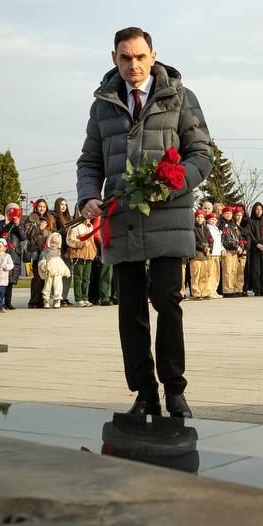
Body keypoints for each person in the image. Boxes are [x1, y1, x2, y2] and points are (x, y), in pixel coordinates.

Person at [77, 26, 212, 419]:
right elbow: (90, 160)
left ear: (153, 56)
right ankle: (143, 391)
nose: (133, 65)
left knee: (168, 300)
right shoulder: (103, 105)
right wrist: (88, 196)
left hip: (168, 213)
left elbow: (201, 154)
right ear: (114, 58)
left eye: (140, 57)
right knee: (130, 306)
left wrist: (172, 182)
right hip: (122, 218)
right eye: (125, 58)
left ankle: (174, 389)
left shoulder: (180, 98)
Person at [0, 203, 24, 310]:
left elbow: (23, 237)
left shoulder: (20, 224)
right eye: (9, 210)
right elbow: (0, 234)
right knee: (1, 280)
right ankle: (0, 303)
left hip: (14, 254)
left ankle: (8, 302)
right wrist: (9, 224)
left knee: (11, 281)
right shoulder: (0, 223)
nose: (11, 213)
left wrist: (17, 225)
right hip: (2, 254)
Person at [65, 215, 97, 307]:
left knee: (86, 278)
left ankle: (85, 298)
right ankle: (78, 299)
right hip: (78, 255)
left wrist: (94, 251)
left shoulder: (90, 226)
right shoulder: (75, 226)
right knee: (78, 277)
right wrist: (81, 244)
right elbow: (69, 240)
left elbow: (92, 241)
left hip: (89, 255)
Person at [24, 199, 51, 307]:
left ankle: (43, 300)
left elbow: (54, 233)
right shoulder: (31, 217)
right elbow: (28, 235)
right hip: (35, 250)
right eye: (40, 206)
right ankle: (34, 301)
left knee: (46, 276)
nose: (42, 209)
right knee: (37, 277)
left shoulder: (50, 218)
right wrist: (39, 228)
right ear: (36, 207)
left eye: (44, 207)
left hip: (47, 250)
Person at [243, 202, 263, 296]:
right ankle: (257, 290)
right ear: (254, 210)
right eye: (257, 209)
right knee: (256, 270)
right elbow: (249, 234)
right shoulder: (250, 221)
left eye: (260, 209)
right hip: (255, 249)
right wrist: (257, 244)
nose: (258, 211)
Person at [38, 232, 72, 309]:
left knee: (58, 285)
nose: (54, 245)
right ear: (50, 241)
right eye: (53, 243)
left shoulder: (58, 252)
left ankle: (57, 299)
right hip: (49, 271)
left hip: (57, 272)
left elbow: (61, 262)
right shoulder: (45, 250)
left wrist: (66, 271)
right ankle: (46, 299)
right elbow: (42, 259)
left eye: (56, 243)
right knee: (47, 285)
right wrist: (43, 266)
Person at [190, 211, 213, 299]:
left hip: (206, 254)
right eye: (198, 217)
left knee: (204, 275)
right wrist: (204, 248)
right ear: (195, 218)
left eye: (202, 217)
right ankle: (196, 293)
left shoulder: (206, 228)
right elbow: (193, 241)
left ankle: (204, 292)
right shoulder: (192, 228)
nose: (200, 219)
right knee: (196, 275)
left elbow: (211, 239)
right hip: (196, 254)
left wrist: (210, 248)